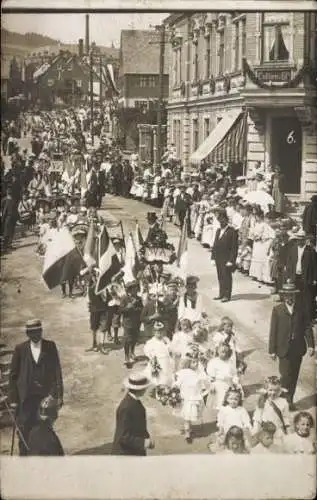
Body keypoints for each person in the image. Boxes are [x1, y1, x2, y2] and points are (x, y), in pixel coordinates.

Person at [8, 319, 63, 456]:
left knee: (43, 428)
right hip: (25, 398)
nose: (36, 335)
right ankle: (24, 458)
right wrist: (13, 399)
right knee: (24, 429)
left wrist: (58, 395)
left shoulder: (50, 346)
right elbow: (13, 376)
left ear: (41, 331)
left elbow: (57, 371)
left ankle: (43, 455)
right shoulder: (20, 349)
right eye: (32, 333)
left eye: (38, 332)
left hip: (44, 397)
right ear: (27, 334)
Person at [268, 281, 315, 409]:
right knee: (285, 375)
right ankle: (282, 400)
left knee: (294, 375)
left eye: (292, 295)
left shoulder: (301, 309)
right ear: (283, 296)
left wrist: (311, 345)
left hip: (297, 348)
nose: (290, 298)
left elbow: (307, 327)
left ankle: (289, 400)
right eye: (287, 295)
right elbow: (273, 330)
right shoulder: (278, 310)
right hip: (283, 349)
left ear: (295, 296)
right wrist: (271, 350)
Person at [111, 373, 155, 455]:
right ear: (140, 389)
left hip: (134, 450)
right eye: (144, 388)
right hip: (125, 454)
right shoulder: (126, 407)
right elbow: (123, 436)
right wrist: (144, 442)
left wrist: (146, 438)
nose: (146, 390)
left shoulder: (134, 401)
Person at [174, 353, 209, 443]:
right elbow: (177, 383)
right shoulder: (184, 373)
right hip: (187, 397)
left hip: (195, 396)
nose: (196, 364)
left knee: (190, 415)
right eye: (193, 362)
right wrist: (174, 389)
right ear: (188, 363)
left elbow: (203, 381)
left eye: (197, 362)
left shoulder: (199, 373)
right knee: (187, 416)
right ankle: (187, 433)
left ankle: (189, 428)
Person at [284, 229, 317, 323]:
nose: (300, 241)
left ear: (305, 239)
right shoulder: (293, 249)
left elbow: (315, 266)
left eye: (302, 239)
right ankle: (297, 316)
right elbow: (289, 264)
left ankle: (307, 318)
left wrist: (315, 278)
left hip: (306, 277)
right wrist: (289, 277)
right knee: (296, 297)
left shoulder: (310, 251)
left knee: (307, 298)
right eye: (298, 239)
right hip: (295, 277)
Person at [252, 376, 290, 447]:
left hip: (278, 429)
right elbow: (258, 416)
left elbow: (286, 418)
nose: (273, 393)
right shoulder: (262, 401)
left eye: (276, 390)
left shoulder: (284, 402)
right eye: (270, 390)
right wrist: (256, 429)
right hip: (265, 430)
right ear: (266, 390)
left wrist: (288, 432)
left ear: (280, 390)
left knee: (278, 447)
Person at [212, 210, 238, 302]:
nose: (221, 222)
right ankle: (221, 293)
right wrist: (213, 257)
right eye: (219, 220)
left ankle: (227, 295)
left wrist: (231, 260)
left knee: (226, 276)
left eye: (222, 220)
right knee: (220, 276)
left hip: (227, 258)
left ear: (226, 220)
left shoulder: (232, 231)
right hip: (218, 258)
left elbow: (234, 247)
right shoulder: (218, 231)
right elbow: (215, 244)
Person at [143, 316, 174, 391]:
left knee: (167, 374)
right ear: (154, 332)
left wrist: (170, 351)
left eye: (161, 331)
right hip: (158, 361)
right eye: (157, 331)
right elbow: (147, 351)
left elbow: (170, 348)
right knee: (158, 376)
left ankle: (165, 386)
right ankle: (157, 388)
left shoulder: (166, 339)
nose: (159, 333)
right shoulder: (151, 342)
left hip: (166, 360)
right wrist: (153, 360)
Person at [119, 280, 143, 367]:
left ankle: (132, 352)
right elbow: (120, 310)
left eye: (136, 288)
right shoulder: (124, 298)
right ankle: (126, 356)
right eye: (133, 288)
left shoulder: (139, 299)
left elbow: (141, 309)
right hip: (127, 322)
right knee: (127, 339)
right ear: (129, 290)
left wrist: (136, 309)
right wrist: (128, 307)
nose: (135, 290)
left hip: (137, 322)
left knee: (134, 338)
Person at [1, 187, 19, 253]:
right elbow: (4, 210)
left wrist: (3, 219)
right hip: (9, 218)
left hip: (9, 218)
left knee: (9, 232)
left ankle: (7, 246)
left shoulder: (8, 200)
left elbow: (4, 210)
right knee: (7, 232)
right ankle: (5, 247)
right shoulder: (8, 200)